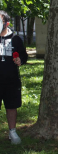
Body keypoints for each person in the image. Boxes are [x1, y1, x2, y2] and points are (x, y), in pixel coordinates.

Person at [0, 10, 28, 144]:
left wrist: (20, 61)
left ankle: (12, 132)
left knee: (11, 106)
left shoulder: (15, 38)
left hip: (11, 81)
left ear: (6, 23)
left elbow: (24, 56)